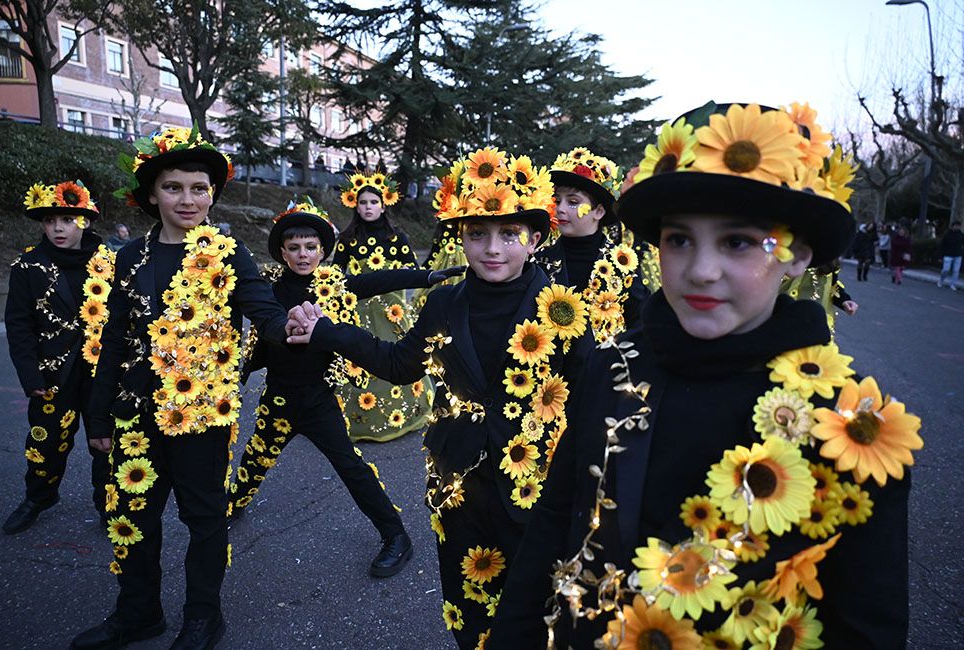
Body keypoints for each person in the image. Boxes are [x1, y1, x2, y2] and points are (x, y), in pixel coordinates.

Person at [490, 102, 921, 649]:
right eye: (679, 239)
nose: (700, 270)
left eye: (738, 241)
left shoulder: (850, 428)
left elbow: (866, 627)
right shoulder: (613, 366)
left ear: (796, 256)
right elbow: (553, 527)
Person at [287, 146, 592, 648]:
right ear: (462, 238)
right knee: (469, 597)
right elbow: (400, 364)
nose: (493, 248)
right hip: (459, 480)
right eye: (477, 234)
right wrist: (327, 332)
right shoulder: (444, 302)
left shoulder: (563, 309)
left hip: (538, 483)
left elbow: (584, 395)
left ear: (535, 239)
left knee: (539, 603)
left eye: (509, 234)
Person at [71, 125, 291, 650]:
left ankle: (203, 615)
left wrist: (296, 325)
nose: (188, 199)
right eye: (174, 187)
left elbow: (266, 312)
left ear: (212, 193)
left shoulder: (229, 253)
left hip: (200, 414)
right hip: (136, 414)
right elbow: (113, 341)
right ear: (152, 193)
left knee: (204, 518)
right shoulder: (128, 258)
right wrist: (97, 418)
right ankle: (138, 613)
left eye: (199, 188)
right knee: (133, 518)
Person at [229, 198, 462, 577]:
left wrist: (427, 277)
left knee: (352, 468)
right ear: (282, 252)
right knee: (255, 460)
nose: (303, 255)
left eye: (311, 247)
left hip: (318, 401)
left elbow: (376, 280)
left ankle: (396, 536)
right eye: (294, 248)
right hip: (277, 398)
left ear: (322, 251)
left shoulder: (333, 285)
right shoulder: (265, 286)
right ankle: (229, 509)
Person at [2, 179, 112, 534]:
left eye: (67, 220)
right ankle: (38, 497)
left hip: (102, 372)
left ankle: (106, 504)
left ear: (87, 220)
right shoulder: (27, 266)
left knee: (105, 442)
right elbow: (18, 324)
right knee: (45, 442)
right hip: (51, 375)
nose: (58, 228)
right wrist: (29, 374)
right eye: (50, 221)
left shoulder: (110, 262)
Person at [333, 172, 431, 443]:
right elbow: (335, 274)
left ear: (383, 205)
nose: (367, 207)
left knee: (396, 357)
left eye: (373, 202)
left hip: (392, 312)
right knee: (356, 359)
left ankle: (401, 412)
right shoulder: (348, 238)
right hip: (356, 312)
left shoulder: (396, 237)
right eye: (363, 202)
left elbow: (412, 269)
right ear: (356, 206)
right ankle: (352, 417)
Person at [535, 147, 649, 340]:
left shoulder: (622, 264)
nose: (560, 209)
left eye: (572, 202)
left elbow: (641, 323)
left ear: (599, 212)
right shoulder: (539, 260)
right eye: (557, 200)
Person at [937, 221, 963, 290]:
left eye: (958, 226)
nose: (957, 227)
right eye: (956, 225)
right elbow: (941, 245)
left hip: (958, 255)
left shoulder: (961, 235)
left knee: (956, 271)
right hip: (948, 254)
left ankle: (953, 284)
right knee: (946, 269)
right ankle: (941, 280)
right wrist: (940, 256)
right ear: (952, 226)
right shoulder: (947, 235)